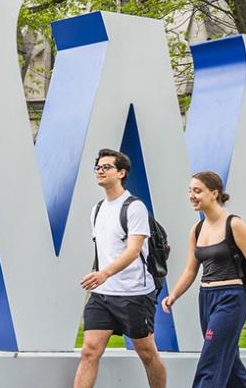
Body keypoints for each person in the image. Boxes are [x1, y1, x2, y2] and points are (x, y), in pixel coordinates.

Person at [161, 171, 246, 388]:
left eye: (197, 191)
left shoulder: (234, 225)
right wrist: (173, 295)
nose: (192, 195)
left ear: (214, 193)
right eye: (190, 191)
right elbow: (191, 270)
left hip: (230, 299)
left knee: (210, 361)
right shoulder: (197, 229)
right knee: (230, 365)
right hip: (206, 299)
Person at [73, 148, 167, 388]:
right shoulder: (96, 210)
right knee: (89, 351)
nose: (100, 171)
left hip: (134, 293)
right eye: (98, 167)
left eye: (107, 167)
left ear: (121, 172)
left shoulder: (134, 207)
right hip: (103, 294)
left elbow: (133, 250)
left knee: (147, 353)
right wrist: (101, 276)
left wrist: (104, 273)